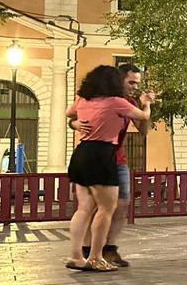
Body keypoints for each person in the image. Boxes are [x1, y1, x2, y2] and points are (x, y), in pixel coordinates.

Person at [64, 66, 151, 272]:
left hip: (81, 153)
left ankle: (76, 256)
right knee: (106, 209)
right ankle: (96, 257)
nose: (134, 87)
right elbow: (144, 117)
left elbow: (69, 113)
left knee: (84, 208)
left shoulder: (83, 99)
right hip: (102, 155)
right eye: (130, 82)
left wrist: (76, 122)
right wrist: (146, 104)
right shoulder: (117, 102)